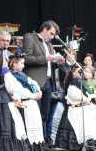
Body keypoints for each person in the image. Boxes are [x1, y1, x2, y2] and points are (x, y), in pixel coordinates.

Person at [22, 20, 63, 148]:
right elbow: (26, 58)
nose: (51, 37)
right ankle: (31, 142)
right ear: (44, 29)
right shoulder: (30, 38)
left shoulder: (49, 44)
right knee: (34, 113)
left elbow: (51, 63)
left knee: (44, 114)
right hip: (35, 81)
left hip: (48, 82)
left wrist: (58, 62)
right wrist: (44, 58)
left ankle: (41, 141)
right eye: (50, 33)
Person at [0, 48, 31, 151]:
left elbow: (9, 88)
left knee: (3, 129)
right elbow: (9, 87)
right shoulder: (0, 70)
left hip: (1, 101)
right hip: (1, 101)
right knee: (4, 128)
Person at [55, 65, 96, 150]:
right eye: (80, 71)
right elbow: (77, 95)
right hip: (78, 108)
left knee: (89, 129)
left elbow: (91, 93)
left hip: (87, 108)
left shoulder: (83, 82)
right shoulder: (74, 82)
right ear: (73, 72)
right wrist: (90, 97)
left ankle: (90, 145)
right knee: (79, 129)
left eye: (83, 71)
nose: (82, 73)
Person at [7, 53, 45, 151]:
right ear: (14, 64)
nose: (24, 65)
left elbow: (32, 82)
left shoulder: (22, 74)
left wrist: (38, 90)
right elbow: (18, 90)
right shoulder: (10, 76)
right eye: (21, 63)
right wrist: (33, 95)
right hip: (23, 104)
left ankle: (35, 147)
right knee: (26, 126)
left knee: (35, 124)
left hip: (31, 103)